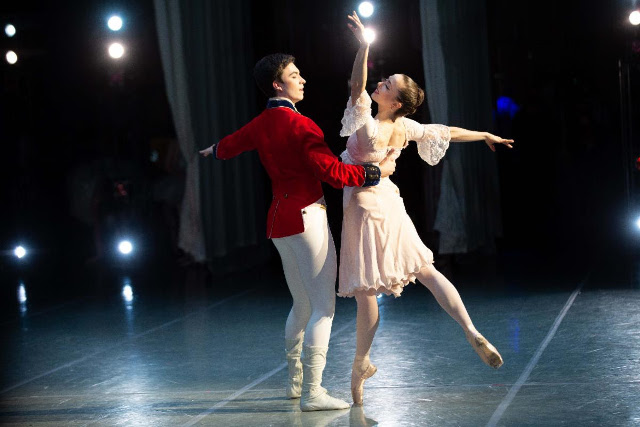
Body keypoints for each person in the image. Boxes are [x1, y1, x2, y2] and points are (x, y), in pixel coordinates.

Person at [199, 53, 396, 411]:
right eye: (294, 75)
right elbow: (333, 174)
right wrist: (375, 173)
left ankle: (295, 383)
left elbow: (233, 143)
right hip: (307, 218)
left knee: (302, 304)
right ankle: (314, 392)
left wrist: (214, 150)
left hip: (278, 222)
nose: (302, 79)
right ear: (278, 84)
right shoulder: (302, 126)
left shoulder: (262, 123)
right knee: (324, 307)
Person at [338, 12, 514, 405]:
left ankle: (360, 365)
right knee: (427, 271)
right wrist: (485, 133)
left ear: (394, 101)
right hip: (390, 204)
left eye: (387, 85)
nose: (379, 84)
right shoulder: (404, 129)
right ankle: (469, 328)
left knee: (368, 295)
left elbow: (355, 84)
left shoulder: (367, 120)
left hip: (365, 209)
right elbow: (446, 131)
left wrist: (364, 45)